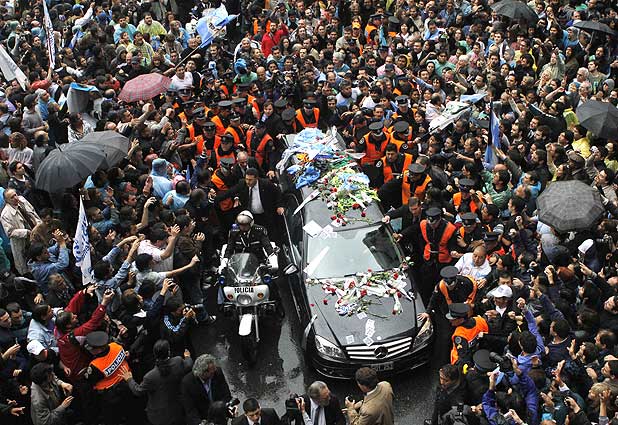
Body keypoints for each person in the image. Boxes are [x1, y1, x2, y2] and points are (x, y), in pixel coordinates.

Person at [122, 339, 193, 425]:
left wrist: (129, 379)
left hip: (159, 416)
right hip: (178, 409)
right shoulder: (178, 361)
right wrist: (187, 357)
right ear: (169, 352)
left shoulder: (150, 376)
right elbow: (189, 365)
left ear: (155, 354)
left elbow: (138, 391)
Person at [181, 354, 232, 425]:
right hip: (203, 418)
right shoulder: (187, 383)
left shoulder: (217, 372)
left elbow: (226, 394)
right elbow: (190, 408)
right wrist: (199, 423)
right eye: (212, 372)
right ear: (203, 373)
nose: (215, 371)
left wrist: (226, 407)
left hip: (219, 415)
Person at [1, 188, 42, 275]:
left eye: (15, 195)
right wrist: (27, 232)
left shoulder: (22, 200)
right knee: (30, 266)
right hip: (24, 242)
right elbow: (10, 232)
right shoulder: (5, 214)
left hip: (38, 234)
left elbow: (33, 212)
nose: (16, 198)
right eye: (12, 197)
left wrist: (39, 224)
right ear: (7, 201)